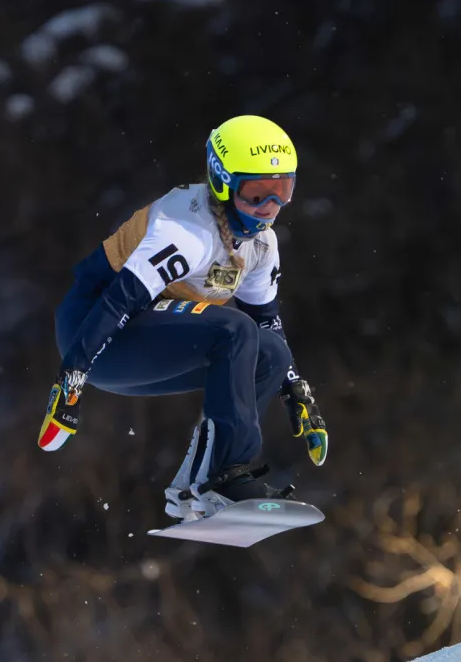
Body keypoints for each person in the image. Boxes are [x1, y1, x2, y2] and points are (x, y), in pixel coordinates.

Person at [38, 115, 328, 522]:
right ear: (222, 182)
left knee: (271, 355)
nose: (270, 209)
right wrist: (71, 378)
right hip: (94, 330)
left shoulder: (261, 245)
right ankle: (224, 479)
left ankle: (197, 486)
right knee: (235, 329)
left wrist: (296, 392)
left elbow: (268, 323)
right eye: (257, 194)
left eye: (282, 192)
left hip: (143, 337)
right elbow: (118, 302)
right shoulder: (186, 229)